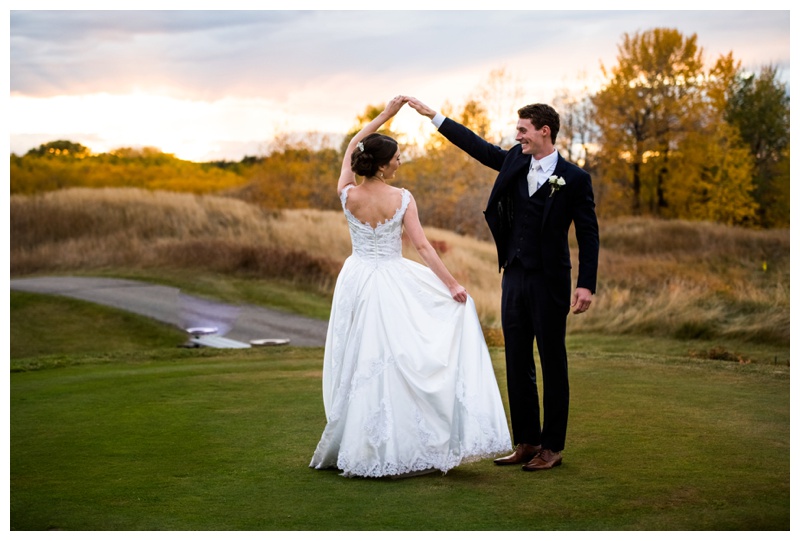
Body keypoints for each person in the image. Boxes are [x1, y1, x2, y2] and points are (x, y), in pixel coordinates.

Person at [309, 96, 511, 478]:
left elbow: (354, 144)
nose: (401, 162)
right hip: (389, 279)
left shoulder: (347, 193)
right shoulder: (402, 199)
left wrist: (384, 116)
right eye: (397, 157)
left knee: (360, 357)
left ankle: (362, 441)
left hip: (355, 278)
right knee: (393, 357)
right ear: (384, 165)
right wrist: (451, 284)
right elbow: (422, 246)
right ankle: (391, 443)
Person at [408, 97, 599, 471]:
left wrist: (586, 284)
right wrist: (435, 117)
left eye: (523, 130)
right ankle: (527, 441)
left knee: (552, 361)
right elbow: (478, 147)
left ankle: (552, 447)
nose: (518, 136)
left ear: (545, 131)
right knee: (516, 360)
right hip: (513, 276)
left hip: (551, 282)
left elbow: (589, 236)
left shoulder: (575, 179)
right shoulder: (514, 159)